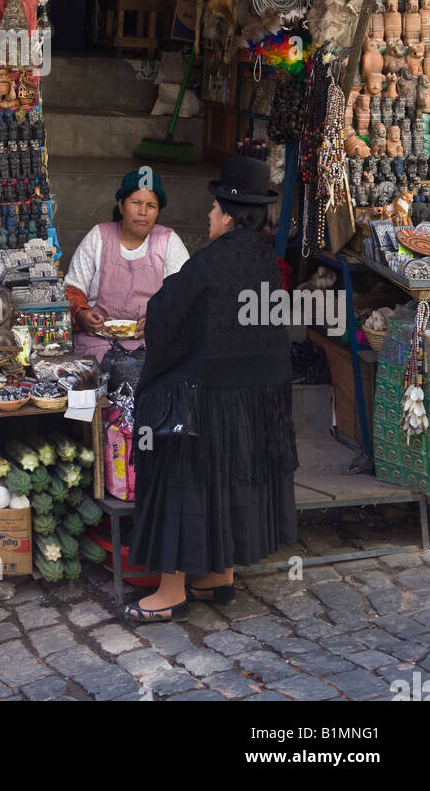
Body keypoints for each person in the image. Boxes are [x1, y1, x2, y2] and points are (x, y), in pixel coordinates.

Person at [125, 155, 297, 622]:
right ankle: (219, 574)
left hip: (206, 395)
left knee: (174, 465)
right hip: (255, 396)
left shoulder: (210, 262)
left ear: (228, 212)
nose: (208, 216)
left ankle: (171, 591)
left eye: (213, 207)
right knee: (229, 474)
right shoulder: (265, 258)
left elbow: (166, 315)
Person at [64, 168, 189, 363]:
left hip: (151, 343)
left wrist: (158, 321)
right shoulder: (98, 236)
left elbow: (183, 297)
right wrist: (82, 315)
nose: (143, 212)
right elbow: (72, 289)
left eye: (151, 205)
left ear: (158, 212)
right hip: (98, 342)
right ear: (121, 205)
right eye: (136, 203)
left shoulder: (169, 241)